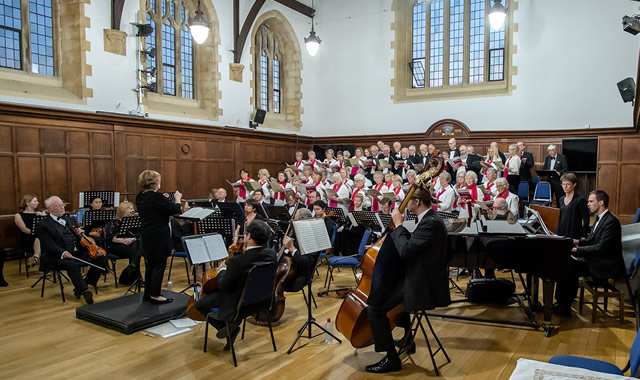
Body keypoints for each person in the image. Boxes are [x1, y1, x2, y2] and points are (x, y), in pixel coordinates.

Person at [365, 187, 450, 373]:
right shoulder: (430, 220)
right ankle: (407, 339)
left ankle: (391, 359)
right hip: (420, 276)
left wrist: (399, 225)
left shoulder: (430, 223)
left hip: (423, 284)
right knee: (391, 287)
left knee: (374, 308)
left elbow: (406, 251)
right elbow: (414, 247)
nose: (405, 204)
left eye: (408, 200)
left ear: (417, 202)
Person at [194, 220, 277, 346]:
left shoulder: (238, 261)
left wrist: (221, 270)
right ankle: (230, 327)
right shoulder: (271, 255)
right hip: (261, 302)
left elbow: (223, 286)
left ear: (249, 236)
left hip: (238, 304)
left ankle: (226, 327)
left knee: (199, 303)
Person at [553, 190, 626, 316]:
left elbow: (601, 248)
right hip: (597, 258)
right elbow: (591, 241)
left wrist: (576, 250)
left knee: (570, 267)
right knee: (565, 263)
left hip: (605, 264)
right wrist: (575, 241)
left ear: (601, 203)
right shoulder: (600, 219)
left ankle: (565, 306)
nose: (588, 204)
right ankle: (561, 302)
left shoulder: (611, 222)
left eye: (591, 201)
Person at [37, 196, 109, 304]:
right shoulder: (43, 224)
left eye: (63, 205)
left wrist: (80, 235)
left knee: (101, 258)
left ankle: (81, 286)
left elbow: (78, 237)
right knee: (71, 264)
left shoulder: (69, 219)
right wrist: (63, 252)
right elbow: (48, 245)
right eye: (58, 206)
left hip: (76, 251)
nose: (62, 208)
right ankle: (85, 291)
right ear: (50, 209)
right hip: (56, 255)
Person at [136, 170, 182, 304]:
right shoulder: (157, 197)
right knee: (159, 265)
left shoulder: (140, 197)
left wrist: (164, 200)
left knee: (150, 264)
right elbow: (175, 210)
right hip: (159, 235)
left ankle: (148, 293)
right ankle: (155, 294)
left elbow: (156, 208)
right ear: (155, 183)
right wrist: (177, 200)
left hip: (147, 234)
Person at [105, 201, 142, 285]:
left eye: (133, 208)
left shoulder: (134, 222)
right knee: (136, 252)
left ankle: (131, 270)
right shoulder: (114, 222)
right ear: (123, 210)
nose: (133, 210)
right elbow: (110, 238)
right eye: (130, 208)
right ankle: (133, 276)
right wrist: (123, 240)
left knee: (137, 246)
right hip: (116, 245)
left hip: (130, 244)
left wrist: (132, 239)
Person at [556, 173, 590, 239]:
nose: (565, 186)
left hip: (574, 233)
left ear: (574, 184)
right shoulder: (561, 199)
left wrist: (583, 235)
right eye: (563, 184)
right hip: (562, 232)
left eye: (568, 184)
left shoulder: (580, 200)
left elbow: (586, 219)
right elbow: (561, 217)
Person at [15, 194, 46, 260]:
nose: (37, 203)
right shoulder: (19, 215)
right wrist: (34, 233)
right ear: (27, 203)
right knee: (38, 237)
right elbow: (24, 229)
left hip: (41, 235)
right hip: (28, 237)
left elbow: (47, 225)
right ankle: (36, 256)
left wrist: (44, 216)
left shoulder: (40, 212)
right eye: (35, 201)